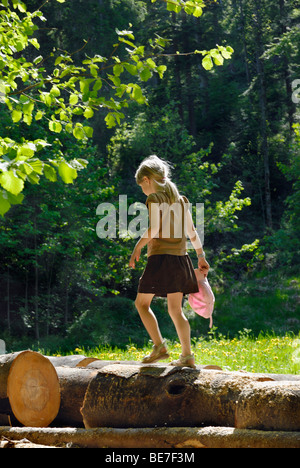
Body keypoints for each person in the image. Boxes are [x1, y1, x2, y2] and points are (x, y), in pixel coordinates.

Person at [129, 155, 210, 368]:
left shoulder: (154, 199)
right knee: (175, 310)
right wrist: (201, 256)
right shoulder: (181, 201)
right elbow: (192, 232)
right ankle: (187, 356)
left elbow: (154, 229)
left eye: (142, 186)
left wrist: (138, 245)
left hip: (161, 260)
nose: (143, 191)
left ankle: (159, 347)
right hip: (181, 260)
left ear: (147, 179)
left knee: (142, 303)